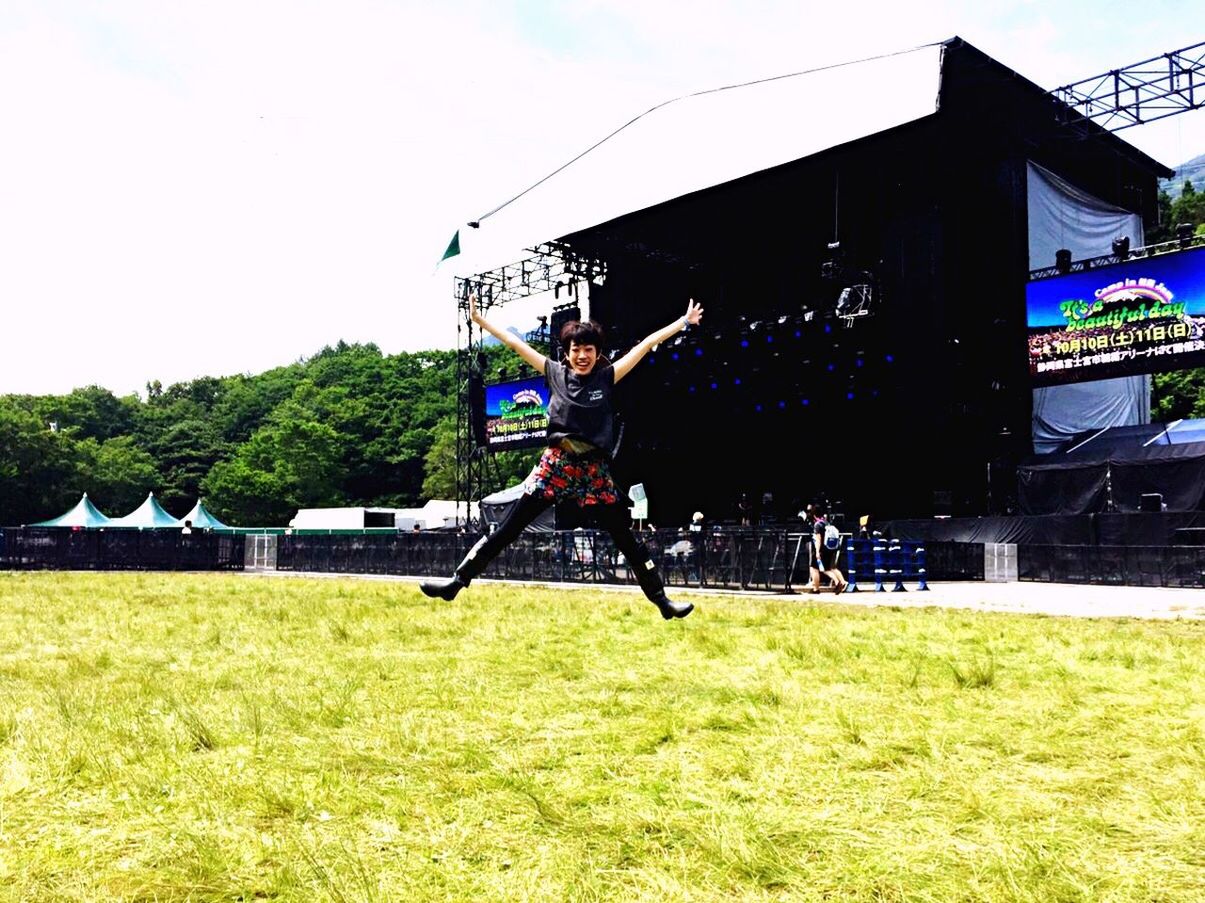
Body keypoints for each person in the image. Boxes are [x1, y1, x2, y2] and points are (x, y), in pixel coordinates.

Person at [420, 290, 702, 620]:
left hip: (594, 472)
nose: (582, 355)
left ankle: (662, 601)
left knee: (627, 540)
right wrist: (481, 321)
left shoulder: (607, 377)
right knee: (507, 528)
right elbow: (515, 344)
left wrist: (683, 322)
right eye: (576, 349)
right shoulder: (555, 372)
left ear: (598, 353)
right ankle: (457, 581)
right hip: (556, 465)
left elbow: (643, 345)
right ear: (567, 354)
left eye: (588, 349)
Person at [810, 504, 847, 594]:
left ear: (814, 515)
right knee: (827, 568)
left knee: (815, 568)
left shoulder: (817, 525)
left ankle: (817, 588)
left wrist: (817, 552)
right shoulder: (826, 523)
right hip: (830, 548)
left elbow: (818, 539)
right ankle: (839, 582)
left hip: (822, 549)